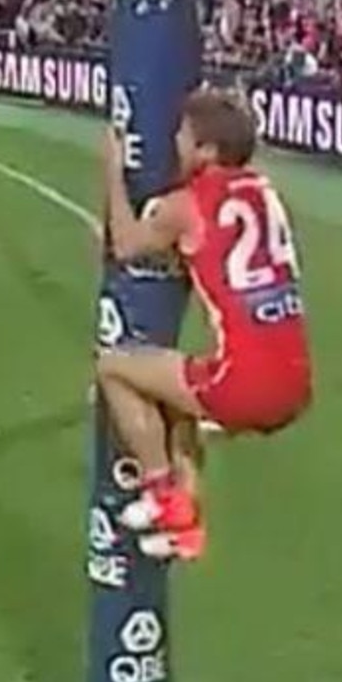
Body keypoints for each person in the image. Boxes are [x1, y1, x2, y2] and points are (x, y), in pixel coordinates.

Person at [96, 89, 313, 561]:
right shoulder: (264, 191)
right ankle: (185, 529)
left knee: (113, 368)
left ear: (207, 151)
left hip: (246, 383)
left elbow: (128, 244)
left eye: (183, 135)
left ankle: (160, 492)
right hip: (295, 381)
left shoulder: (185, 205)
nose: (175, 141)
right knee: (180, 400)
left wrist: (112, 171)